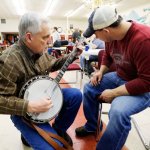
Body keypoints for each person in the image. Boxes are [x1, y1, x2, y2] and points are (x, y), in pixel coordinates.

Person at [0, 12, 82, 150]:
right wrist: (28, 106)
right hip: (24, 113)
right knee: (54, 148)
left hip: (45, 96)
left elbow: (54, 64)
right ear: (29, 37)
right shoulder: (9, 60)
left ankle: (58, 129)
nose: (50, 40)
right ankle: (28, 132)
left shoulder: (40, 50)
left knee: (75, 95)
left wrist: (73, 55)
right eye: (45, 37)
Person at [75, 5, 150, 150]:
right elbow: (108, 56)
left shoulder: (143, 40)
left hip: (143, 88)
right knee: (90, 88)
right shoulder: (111, 37)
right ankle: (92, 126)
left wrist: (114, 93)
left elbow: (147, 81)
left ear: (106, 31)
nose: (96, 38)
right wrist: (101, 72)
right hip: (120, 76)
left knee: (117, 111)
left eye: (96, 35)